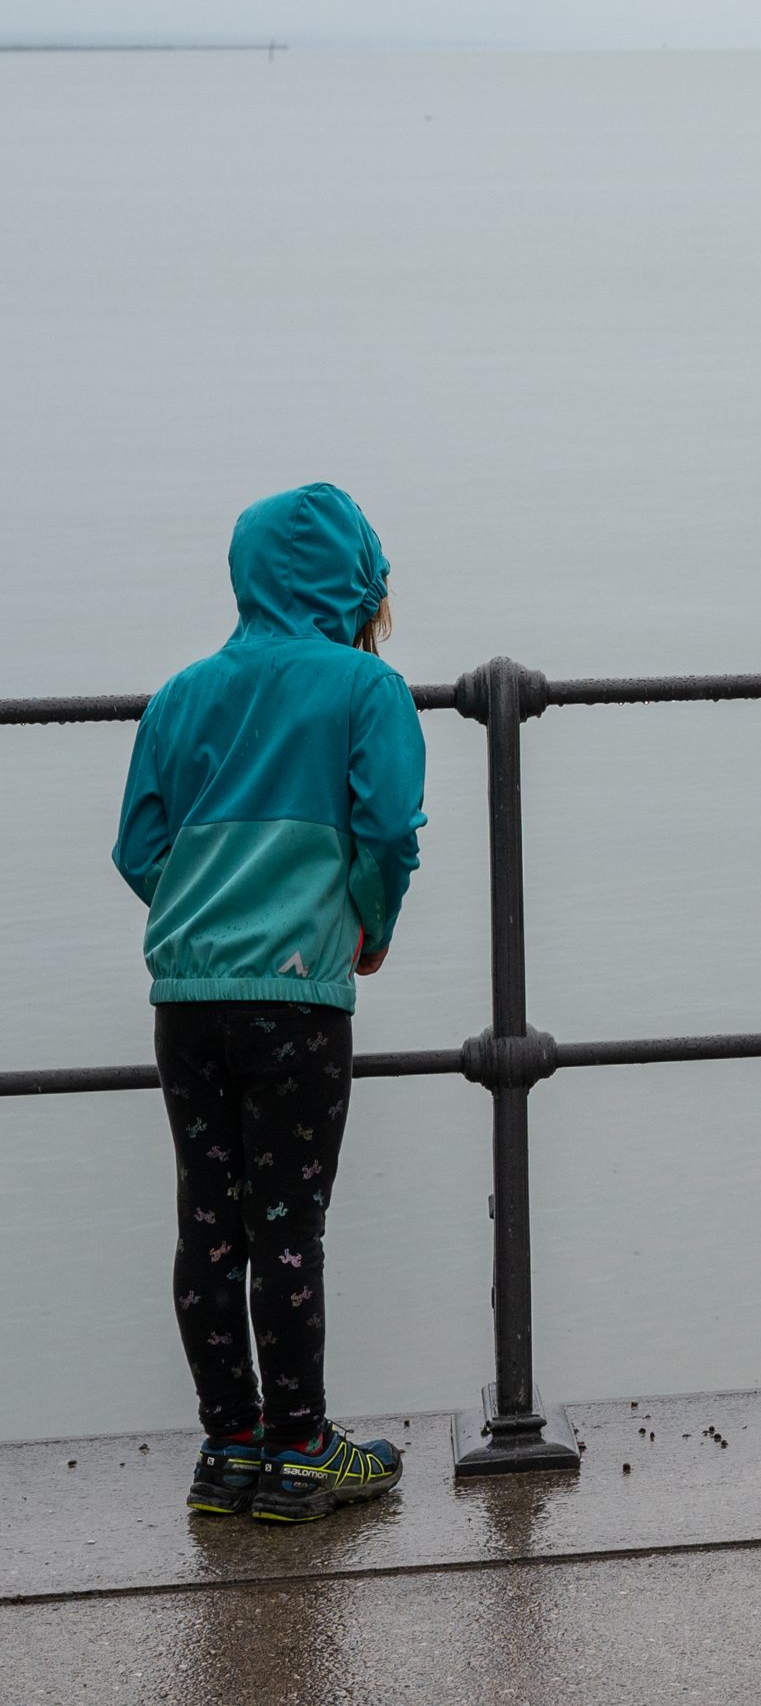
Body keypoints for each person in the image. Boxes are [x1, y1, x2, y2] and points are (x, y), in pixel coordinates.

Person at [114, 484, 425, 1522]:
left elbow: (139, 848)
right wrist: (366, 927)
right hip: (296, 1001)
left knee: (209, 1218)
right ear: (359, 584)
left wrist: (208, 910)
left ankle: (227, 1447)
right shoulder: (366, 690)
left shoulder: (180, 692)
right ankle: (301, 1450)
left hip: (188, 995)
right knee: (288, 1216)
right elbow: (386, 829)